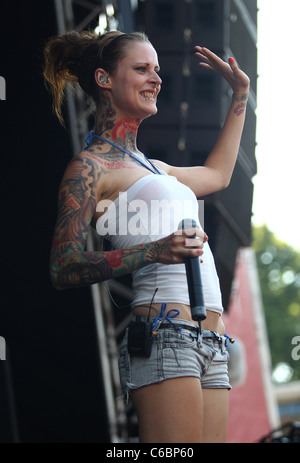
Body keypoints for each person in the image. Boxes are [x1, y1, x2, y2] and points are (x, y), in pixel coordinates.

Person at [43, 29, 250, 443]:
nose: (156, 78)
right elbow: (62, 266)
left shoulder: (157, 167)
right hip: (164, 333)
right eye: (141, 69)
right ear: (104, 79)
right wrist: (154, 251)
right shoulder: (90, 169)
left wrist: (240, 95)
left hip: (211, 337)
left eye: (157, 70)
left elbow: (219, 175)